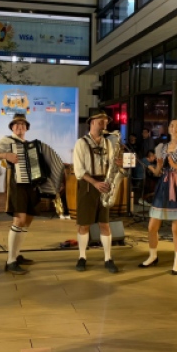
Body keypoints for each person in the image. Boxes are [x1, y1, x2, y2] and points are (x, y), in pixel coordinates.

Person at [0, 113, 64, 275]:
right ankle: (10, 261)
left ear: (27, 128)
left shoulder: (33, 145)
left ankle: (17, 254)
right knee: (19, 220)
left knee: (28, 220)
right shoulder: (7, 142)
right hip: (17, 184)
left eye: (23, 124)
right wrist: (5, 155)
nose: (19, 127)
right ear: (12, 127)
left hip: (32, 185)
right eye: (16, 124)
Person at [139, 118, 177, 275]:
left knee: (176, 228)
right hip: (163, 186)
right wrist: (152, 168)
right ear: (168, 128)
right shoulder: (161, 147)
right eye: (172, 125)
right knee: (152, 226)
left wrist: (175, 165)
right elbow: (158, 172)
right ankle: (152, 256)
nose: (174, 128)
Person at [73, 109, 125, 273]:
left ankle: (108, 258)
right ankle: (82, 257)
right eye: (101, 121)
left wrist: (119, 163)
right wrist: (95, 183)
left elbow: (111, 165)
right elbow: (79, 170)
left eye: (105, 121)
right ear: (92, 122)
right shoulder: (81, 143)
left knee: (105, 224)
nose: (104, 124)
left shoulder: (109, 143)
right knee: (84, 224)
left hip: (105, 183)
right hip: (88, 186)